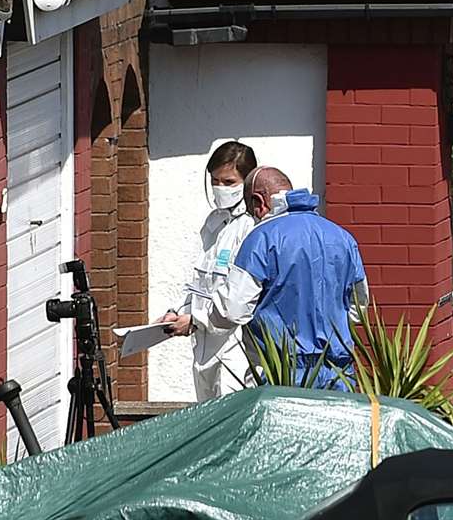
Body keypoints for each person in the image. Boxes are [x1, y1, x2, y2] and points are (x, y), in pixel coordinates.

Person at [209, 167, 368, 390]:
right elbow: (357, 308)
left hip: (280, 374)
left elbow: (232, 310)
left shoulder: (261, 238)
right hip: (337, 373)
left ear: (258, 202)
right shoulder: (343, 238)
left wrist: (203, 316)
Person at [156, 140, 259, 399]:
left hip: (235, 348)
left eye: (228, 182)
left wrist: (195, 320)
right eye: (215, 181)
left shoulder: (250, 227)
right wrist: (178, 311)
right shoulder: (213, 223)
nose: (219, 188)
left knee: (230, 424)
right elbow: (200, 281)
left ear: (247, 183)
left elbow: (238, 300)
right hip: (203, 345)